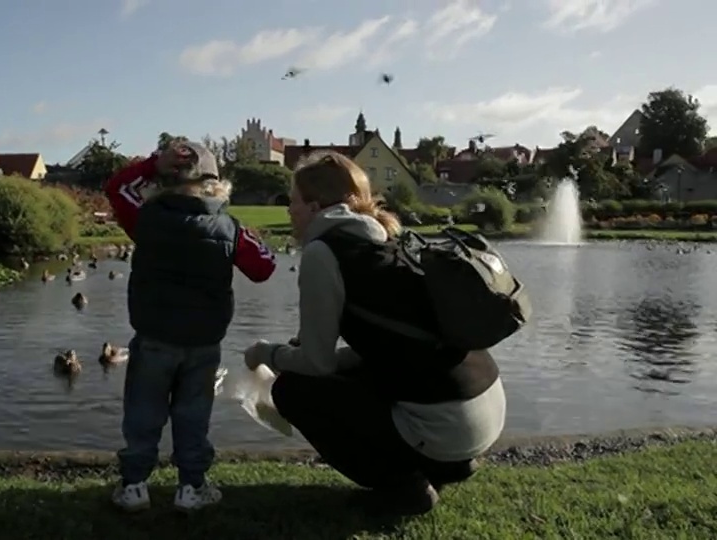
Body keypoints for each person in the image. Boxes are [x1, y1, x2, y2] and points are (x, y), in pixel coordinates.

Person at [243, 151, 506, 515]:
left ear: (315, 206)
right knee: (344, 370)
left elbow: (315, 362)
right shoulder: (384, 239)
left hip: (448, 425)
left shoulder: (324, 252)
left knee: (293, 390)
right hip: (484, 409)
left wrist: (263, 353)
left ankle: (404, 487)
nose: (289, 211)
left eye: (293, 202)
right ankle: (448, 465)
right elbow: (385, 344)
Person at [105, 140, 277, 513]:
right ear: (216, 184)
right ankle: (191, 487)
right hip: (203, 343)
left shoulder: (145, 219)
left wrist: (152, 162)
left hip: (153, 338)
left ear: (160, 181)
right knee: (193, 416)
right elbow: (265, 268)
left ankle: (135, 486)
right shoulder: (230, 228)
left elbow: (116, 187)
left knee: (142, 413)